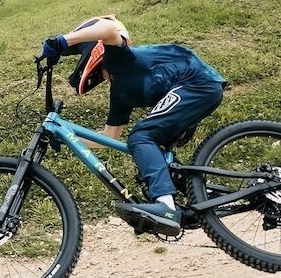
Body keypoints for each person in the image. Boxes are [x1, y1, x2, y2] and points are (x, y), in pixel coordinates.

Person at [39, 15, 227, 236]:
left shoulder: (121, 58)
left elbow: (109, 27)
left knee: (140, 137)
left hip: (196, 84)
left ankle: (166, 206)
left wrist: (63, 40)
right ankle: (202, 195)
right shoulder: (119, 92)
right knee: (149, 150)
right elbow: (110, 137)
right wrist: (67, 137)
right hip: (192, 91)